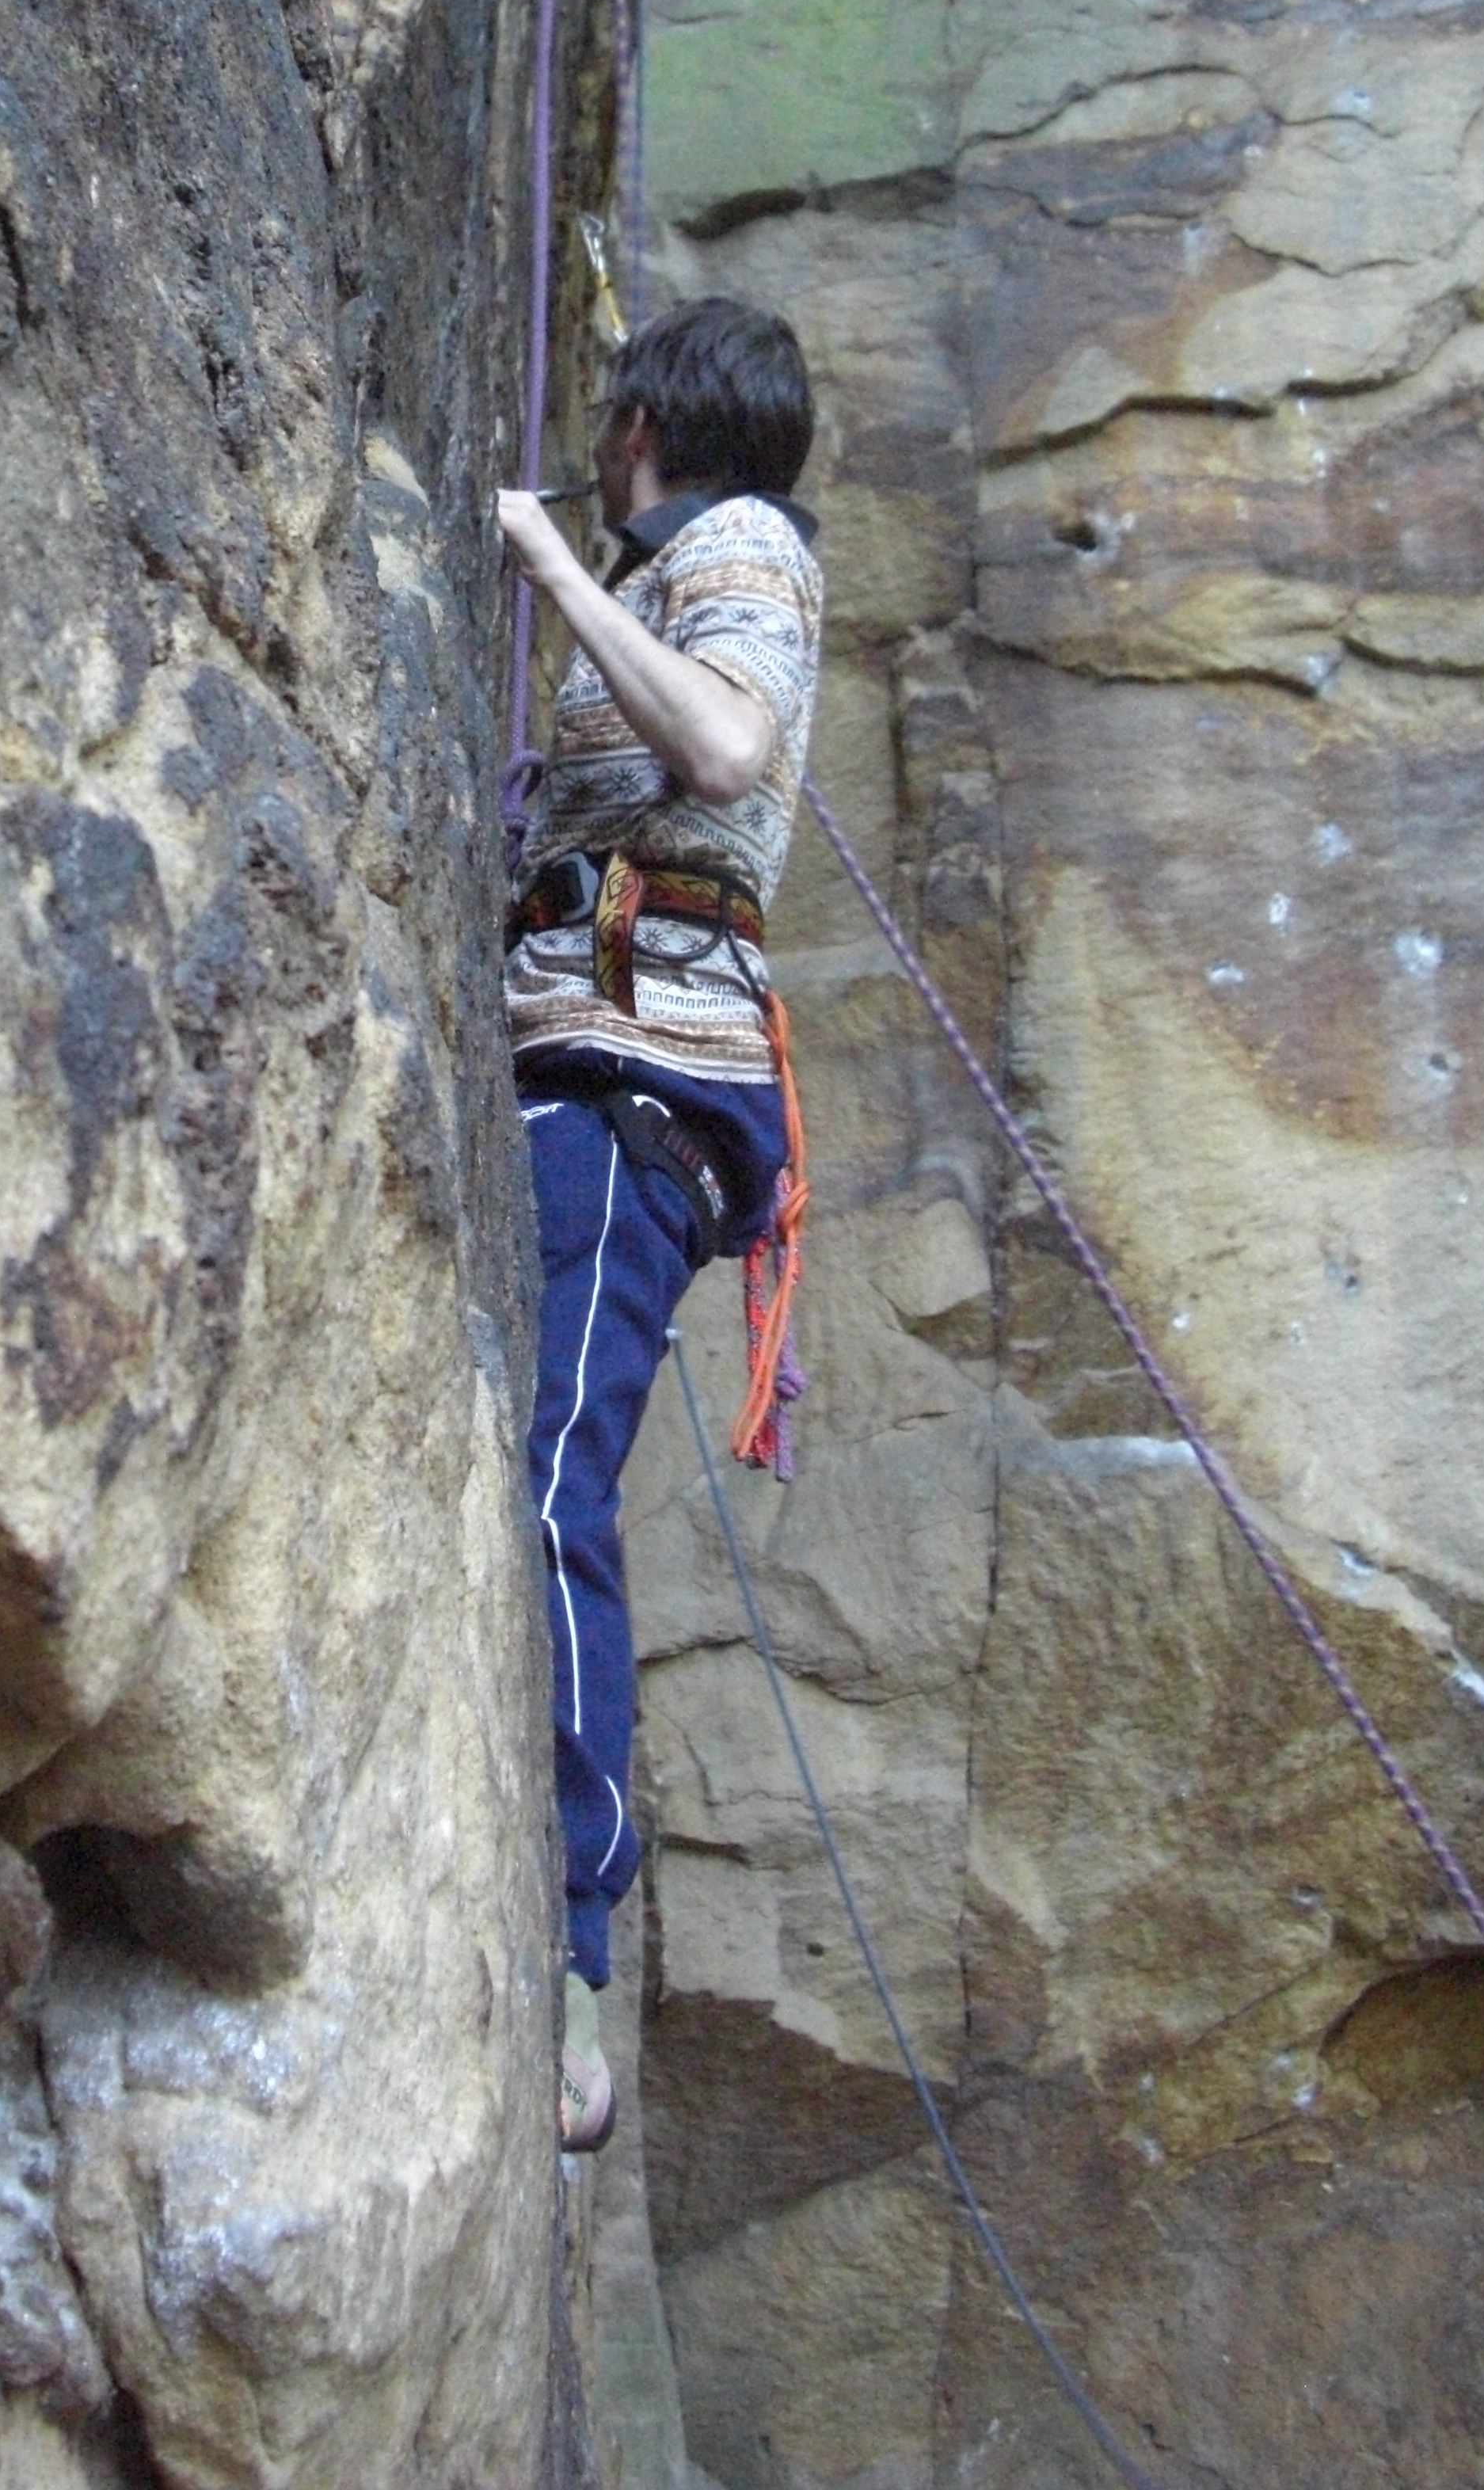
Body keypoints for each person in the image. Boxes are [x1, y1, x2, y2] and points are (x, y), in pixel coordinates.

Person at [494, 293, 823, 2153]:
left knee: (553, 1477)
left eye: (613, 420)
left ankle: (567, 1947)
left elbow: (722, 744)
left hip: (642, 1083)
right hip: (589, 1061)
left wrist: (555, 569)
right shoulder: (683, 562)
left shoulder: (738, 544)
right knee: (535, 1464)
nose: (601, 447)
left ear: (645, 426)